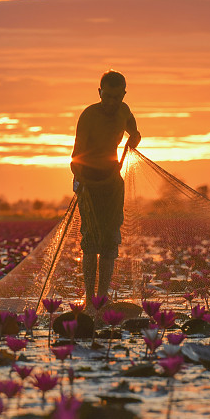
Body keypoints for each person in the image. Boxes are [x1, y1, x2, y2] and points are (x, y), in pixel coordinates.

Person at [71, 70, 141, 308]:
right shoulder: (89, 116)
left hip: (112, 181)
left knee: (110, 240)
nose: (111, 102)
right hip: (89, 182)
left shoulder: (124, 110)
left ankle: (102, 297)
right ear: (100, 92)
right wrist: (80, 181)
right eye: (107, 96)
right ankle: (89, 298)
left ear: (123, 95)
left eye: (116, 97)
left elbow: (133, 128)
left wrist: (135, 137)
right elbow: (76, 156)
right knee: (91, 241)